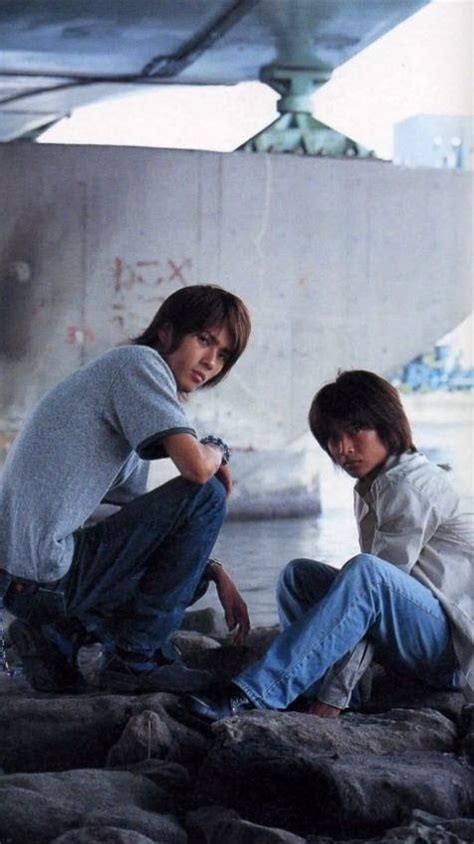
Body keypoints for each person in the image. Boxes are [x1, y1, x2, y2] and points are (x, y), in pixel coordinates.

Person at [0, 284, 251, 694]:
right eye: (204, 340)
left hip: (22, 584)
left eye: (223, 355)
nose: (211, 362)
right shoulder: (139, 364)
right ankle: (135, 658)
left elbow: (148, 527)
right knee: (206, 497)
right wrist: (218, 449)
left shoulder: (125, 396)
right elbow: (196, 470)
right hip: (43, 574)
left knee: (193, 572)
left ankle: (57, 633)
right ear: (166, 333)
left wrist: (215, 569)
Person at [187, 369, 473, 721]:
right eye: (332, 438)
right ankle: (307, 686)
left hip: (452, 653)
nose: (343, 449)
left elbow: (373, 592)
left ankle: (258, 692)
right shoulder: (375, 484)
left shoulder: (409, 486)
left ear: (388, 426)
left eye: (355, 431)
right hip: (415, 630)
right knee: (298, 576)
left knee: (367, 574)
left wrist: (334, 697)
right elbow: (372, 601)